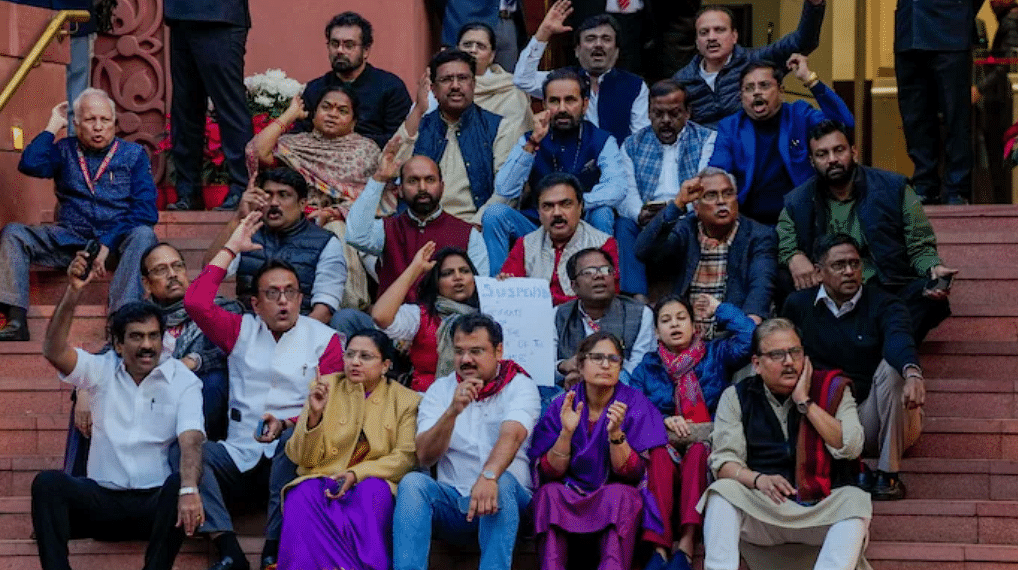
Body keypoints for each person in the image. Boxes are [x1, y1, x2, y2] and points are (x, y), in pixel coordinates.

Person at [184, 212, 347, 570]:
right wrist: (231, 247)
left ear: (302, 297)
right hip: (241, 452)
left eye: (291, 292)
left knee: (291, 448)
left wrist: (289, 423)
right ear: (256, 304)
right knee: (190, 453)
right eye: (273, 294)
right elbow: (195, 302)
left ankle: (274, 547)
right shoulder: (240, 328)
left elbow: (335, 405)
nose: (284, 302)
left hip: (294, 454)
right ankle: (228, 547)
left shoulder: (325, 339)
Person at [34, 252, 205, 570]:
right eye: (137, 337)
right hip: (102, 503)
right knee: (47, 484)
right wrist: (73, 292)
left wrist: (190, 487)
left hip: (155, 509)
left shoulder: (182, 380)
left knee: (182, 481)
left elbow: (191, 438)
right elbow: (53, 350)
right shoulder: (100, 370)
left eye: (154, 336)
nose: (147, 345)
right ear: (117, 344)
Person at [700, 317, 870, 570]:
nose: (789, 362)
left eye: (795, 352)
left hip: (819, 510)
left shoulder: (832, 389)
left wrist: (806, 403)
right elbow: (724, 461)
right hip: (764, 510)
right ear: (757, 364)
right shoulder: (737, 396)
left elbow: (851, 446)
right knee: (722, 492)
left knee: (855, 499)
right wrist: (758, 479)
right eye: (777, 355)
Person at [66, 243, 242, 476]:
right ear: (146, 284)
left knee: (213, 382)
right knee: (90, 398)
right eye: (160, 270)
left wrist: (194, 361)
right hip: (148, 402)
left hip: (195, 407)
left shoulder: (219, 309)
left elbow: (236, 351)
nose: (172, 274)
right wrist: (84, 389)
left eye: (177, 266)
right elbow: (110, 355)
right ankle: (82, 491)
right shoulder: (140, 317)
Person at [0, 91, 158, 341]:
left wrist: (108, 241)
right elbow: (30, 163)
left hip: (118, 246)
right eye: (90, 120)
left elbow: (146, 211)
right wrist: (53, 126)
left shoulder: (134, 154)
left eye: (105, 120)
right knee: (13, 233)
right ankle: (15, 319)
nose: (98, 128)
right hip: (71, 241)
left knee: (144, 234)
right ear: (76, 124)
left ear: (114, 123)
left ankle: (122, 318)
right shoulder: (65, 150)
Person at [777, 120, 955, 342]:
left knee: (926, 297)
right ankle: (878, 346)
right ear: (812, 162)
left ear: (854, 152)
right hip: (828, 295)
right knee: (784, 280)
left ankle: (865, 348)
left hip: (883, 289)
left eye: (838, 150)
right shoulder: (798, 201)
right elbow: (782, 239)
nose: (832, 159)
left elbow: (920, 245)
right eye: (822, 154)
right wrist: (793, 256)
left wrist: (933, 269)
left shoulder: (894, 188)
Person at [781, 234, 926, 501]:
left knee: (894, 370)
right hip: (822, 417)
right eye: (839, 265)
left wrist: (912, 371)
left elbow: (899, 339)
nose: (849, 271)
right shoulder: (798, 305)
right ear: (819, 272)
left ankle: (888, 474)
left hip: (874, 419)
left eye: (855, 264)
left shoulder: (885, 304)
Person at [393, 313, 541, 570]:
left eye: (476, 351)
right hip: (456, 503)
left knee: (503, 482)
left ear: (498, 351)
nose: (466, 360)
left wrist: (489, 476)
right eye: (459, 351)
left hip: (510, 506)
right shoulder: (441, 390)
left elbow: (513, 434)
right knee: (413, 483)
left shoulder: (520, 386)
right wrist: (452, 411)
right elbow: (425, 456)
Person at [630, 294, 755, 570]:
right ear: (656, 331)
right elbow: (634, 409)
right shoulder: (648, 367)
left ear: (693, 324)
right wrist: (663, 420)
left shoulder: (716, 353)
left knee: (699, 454)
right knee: (659, 456)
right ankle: (659, 549)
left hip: (708, 440)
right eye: (666, 320)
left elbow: (751, 337)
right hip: (667, 443)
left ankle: (685, 546)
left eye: (680, 318)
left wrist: (720, 309)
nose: (674, 325)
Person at [278, 329, 421, 570]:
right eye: (350, 355)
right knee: (302, 493)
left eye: (365, 356)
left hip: (373, 481)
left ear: (385, 364)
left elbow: (406, 457)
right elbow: (300, 457)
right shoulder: (325, 387)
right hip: (324, 477)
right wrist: (314, 416)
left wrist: (357, 474)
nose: (354, 362)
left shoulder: (406, 400)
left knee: (371, 492)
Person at [529, 331, 669, 570]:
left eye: (613, 359)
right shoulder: (562, 405)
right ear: (581, 366)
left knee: (622, 496)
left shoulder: (635, 403)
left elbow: (633, 474)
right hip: (569, 492)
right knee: (548, 494)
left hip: (611, 495)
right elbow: (549, 472)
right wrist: (566, 433)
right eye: (597, 358)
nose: (606, 365)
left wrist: (616, 435)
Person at [485, 67, 628, 284]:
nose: (562, 108)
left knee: (603, 213)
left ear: (585, 104)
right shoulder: (530, 139)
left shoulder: (601, 140)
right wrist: (532, 144)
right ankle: (501, 290)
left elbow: (616, 188)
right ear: (544, 105)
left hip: (583, 224)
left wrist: (572, 206)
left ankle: (599, 285)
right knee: (494, 214)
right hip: (539, 225)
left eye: (570, 100)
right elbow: (504, 189)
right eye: (554, 101)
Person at [247, 85, 382, 308]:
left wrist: (333, 212)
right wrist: (290, 114)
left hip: (340, 223)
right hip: (294, 220)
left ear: (353, 121)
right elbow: (256, 151)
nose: (332, 114)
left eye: (342, 110)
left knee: (337, 232)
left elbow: (376, 199)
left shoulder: (366, 151)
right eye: (326, 107)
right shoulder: (295, 145)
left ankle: (349, 308)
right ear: (315, 112)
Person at [708, 56, 854, 225]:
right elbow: (717, 173)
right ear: (742, 97)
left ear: (781, 90)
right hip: (749, 221)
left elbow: (844, 123)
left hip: (801, 218)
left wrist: (810, 79)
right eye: (749, 88)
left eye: (764, 85)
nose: (756, 92)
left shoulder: (799, 115)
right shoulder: (731, 127)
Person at [636, 168, 777, 335]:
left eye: (728, 193)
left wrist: (747, 333)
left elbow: (760, 286)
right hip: (686, 337)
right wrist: (678, 203)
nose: (721, 201)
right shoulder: (686, 230)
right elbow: (642, 250)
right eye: (711, 195)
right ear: (696, 207)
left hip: (731, 336)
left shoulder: (758, 236)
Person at [202, 167, 348, 328]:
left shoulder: (325, 242)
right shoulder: (248, 233)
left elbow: (325, 308)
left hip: (301, 329)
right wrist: (238, 219)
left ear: (302, 204)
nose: (273, 203)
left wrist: (294, 339)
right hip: (248, 330)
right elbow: (208, 273)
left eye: (283, 195)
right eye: (268, 195)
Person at [394, 49, 517, 225]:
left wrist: (475, 226)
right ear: (433, 89)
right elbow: (390, 169)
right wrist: (419, 109)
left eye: (463, 78)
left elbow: (505, 192)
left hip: (474, 226)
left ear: (474, 84)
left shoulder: (498, 127)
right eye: (446, 80)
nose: (455, 86)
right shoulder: (421, 125)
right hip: (421, 224)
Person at [616, 79, 716, 297]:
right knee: (623, 225)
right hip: (646, 221)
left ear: (687, 112)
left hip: (686, 217)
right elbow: (626, 192)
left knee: (689, 224)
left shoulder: (706, 139)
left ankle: (681, 297)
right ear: (649, 113)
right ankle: (637, 298)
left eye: (674, 114)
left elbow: (704, 186)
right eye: (658, 114)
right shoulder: (632, 145)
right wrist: (638, 214)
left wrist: (677, 211)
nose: (666, 121)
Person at [346, 148, 489, 299]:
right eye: (413, 181)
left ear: (442, 187)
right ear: (400, 190)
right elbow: (355, 235)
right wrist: (379, 179)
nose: (422, 188)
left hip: (446, 318)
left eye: (430, 180)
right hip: (395, 319)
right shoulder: (388, 228)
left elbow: (479, 290)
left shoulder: (467, 233)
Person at [672, 0, 827, 128]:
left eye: (719, 30)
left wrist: (814, 5)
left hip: (751, 157)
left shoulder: (756, 62)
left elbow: (802, 41)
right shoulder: (682, 81)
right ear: (697, 42)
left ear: (734, 36)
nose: (711, 37)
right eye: (704, 32)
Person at [515, 2, 650, 144]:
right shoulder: (562, 80)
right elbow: (522, 79)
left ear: (616, 51)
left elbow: (639, 139)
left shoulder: (634, 86)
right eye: (590, 38)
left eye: (606, 39)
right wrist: (544, 32)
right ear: (577, 50)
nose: (598, 44)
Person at [164, 0, 253, 211]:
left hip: (220, 16)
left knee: (229, 106)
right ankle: (188, 192)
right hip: (181, 15)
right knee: (185, 108)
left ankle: (242, 189)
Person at [894, 0, 982, 204]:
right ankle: (925, 184)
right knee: (914, 116)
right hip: (909, 30)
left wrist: (959, 8)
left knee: (956, 117)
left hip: (950, 28)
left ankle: (957, 188)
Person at [497, 173, 619, 306]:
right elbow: (511, 294)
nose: (557, 213)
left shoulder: (603, 244)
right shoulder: (525, 244)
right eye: (548, 206)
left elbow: (608, 297)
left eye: (566, 204)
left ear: (580, 207)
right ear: (538, 212)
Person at [373, 242, 480, 392]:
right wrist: (415, 269)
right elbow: (380, 316)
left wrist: (505, 287)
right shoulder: (420, 316)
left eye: (464, 271)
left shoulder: (489, 314)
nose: (458, 277)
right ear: (436, 282)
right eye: (447, 273)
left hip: (479, 402)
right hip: (426, 403)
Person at [297, 12, 413, 149]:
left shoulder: (391, 87)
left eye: (349, 45)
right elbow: (300, 135)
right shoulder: (315, 88)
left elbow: (398, 139)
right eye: (334, 44)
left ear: (366, 51)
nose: (340, 50)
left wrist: (348, 141)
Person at [554, 248, 655, 386]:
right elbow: (544, 368)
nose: (598, 276)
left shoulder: (640, 314)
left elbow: (639, 370)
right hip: (567, 390)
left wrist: (591, 378)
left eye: (605, 270)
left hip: (622, 393)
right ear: (574, 286)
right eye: (588, 272)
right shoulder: (557, 315)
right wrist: (563, 366)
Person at [427, 22, 535, 145]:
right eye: (467, 45)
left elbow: (519, 137)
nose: (473, 50)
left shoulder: (511, 90)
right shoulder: (442, 87)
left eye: (480, 46)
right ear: (457, 49)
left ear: (491, 56)